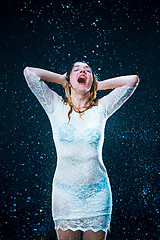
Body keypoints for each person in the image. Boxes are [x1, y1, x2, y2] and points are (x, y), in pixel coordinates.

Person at [23, 61, 139, 240]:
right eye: (76, 70)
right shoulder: (55, 105)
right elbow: (29, 73)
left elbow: (132, 80)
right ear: (70, 78)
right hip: (65, 194)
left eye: (88, 71)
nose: (82, 71)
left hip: (97, 194)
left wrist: (99, 85)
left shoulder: (101, 107)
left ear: (92, 79)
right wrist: (62, 80)